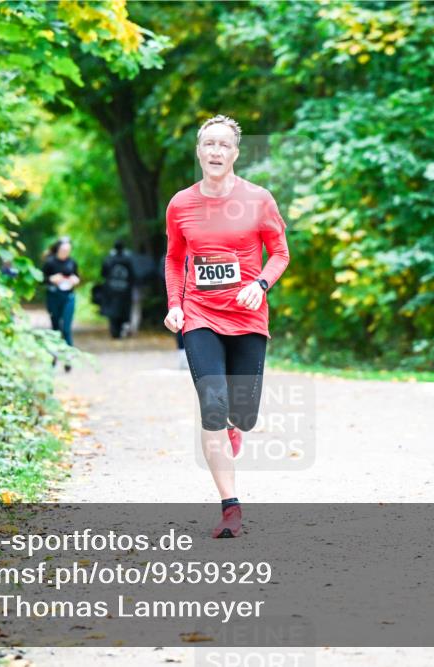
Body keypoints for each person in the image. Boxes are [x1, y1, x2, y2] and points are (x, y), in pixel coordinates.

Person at [163, 114, 290, 538]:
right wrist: (175, 306)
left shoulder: (258, 199)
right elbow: (173, 258)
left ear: (235, 153)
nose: (216, 152)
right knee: (212, 404)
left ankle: (237, 427)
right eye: (208, 144)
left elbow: (280, 253)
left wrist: (261, 283)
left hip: (248, 316)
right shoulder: (181, 204)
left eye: (224, 145)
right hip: (200, 314)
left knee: (244, 414)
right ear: (199, 151)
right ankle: (230, 506)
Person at [42, 237, 80, 371]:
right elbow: (42, 279)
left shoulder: (72, 262)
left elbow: (77, 276)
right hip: (54, 296)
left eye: (68, 250)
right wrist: (52, 279)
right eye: (64, 250)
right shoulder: (50, 263)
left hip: (68, 296)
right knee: (55, 328)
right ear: (58, 249)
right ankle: (54, 356)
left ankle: (68, 358)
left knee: (67, 329)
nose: (66, 252)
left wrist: (74, 280)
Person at [101, 240, 136, 339]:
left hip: (111, 290)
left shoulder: (109, 259)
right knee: (123, 311)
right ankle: (119, 331)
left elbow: (103, 273)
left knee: (112, 312)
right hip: (125, 291)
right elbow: (133, 275)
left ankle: (114, 331)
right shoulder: (128, 260)